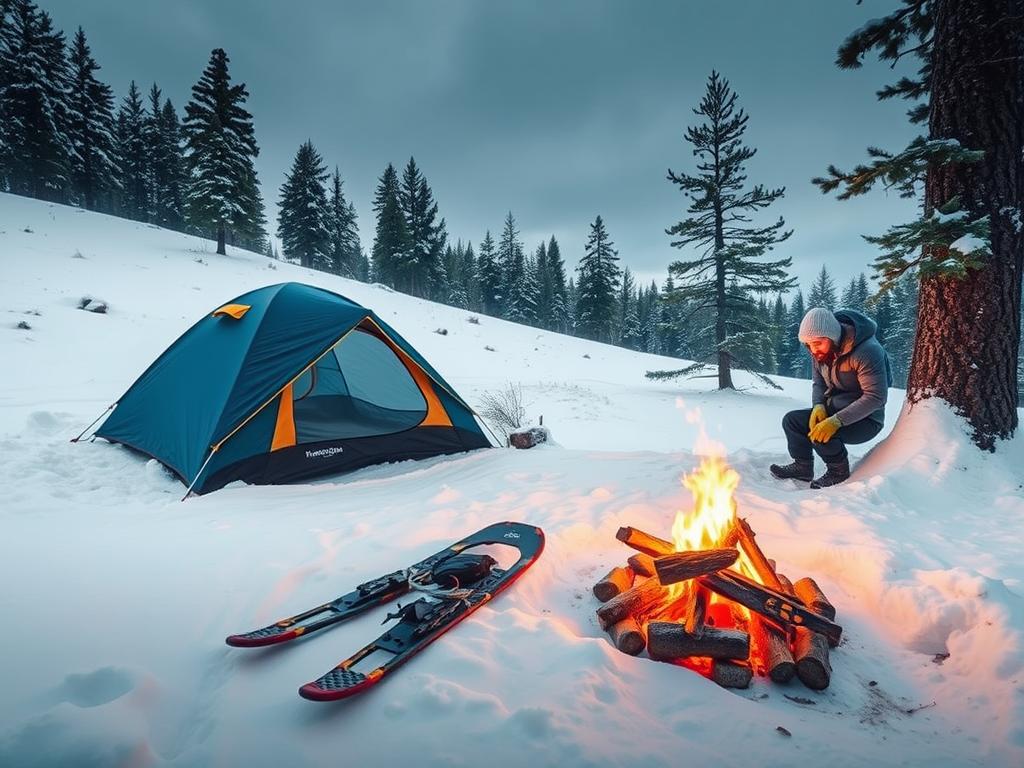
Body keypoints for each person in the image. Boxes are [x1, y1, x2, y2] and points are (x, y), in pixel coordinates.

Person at [770, 307, 891, 488]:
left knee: (821, 432)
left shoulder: (867, 351)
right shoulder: (819, 351)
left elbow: (876, 397)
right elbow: (819, 383)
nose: (813, 349)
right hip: (833, 408)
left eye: (817, 343)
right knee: (792, 421)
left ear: (833, 336)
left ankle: (838, 471)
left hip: (866, 420)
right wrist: (818, 405)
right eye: (808, 345)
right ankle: (803, 467)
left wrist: (836, 421)